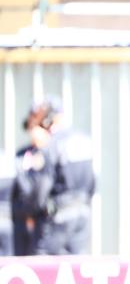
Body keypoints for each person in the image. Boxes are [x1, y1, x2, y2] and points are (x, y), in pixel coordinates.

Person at [31, 97, 96, 255]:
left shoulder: (53, 144)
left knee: (43, 263)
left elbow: (43, 186)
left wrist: (34, 212)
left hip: (61, 214)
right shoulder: (84, 140)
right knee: (78, 265)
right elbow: (93, 182)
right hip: (82, 213)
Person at [10, 108, 47, 255]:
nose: (34, 131)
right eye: (31, 127)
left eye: (38, 126)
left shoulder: (52, 153)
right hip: (22, 221)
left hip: (44, 221)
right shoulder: (21, 155)